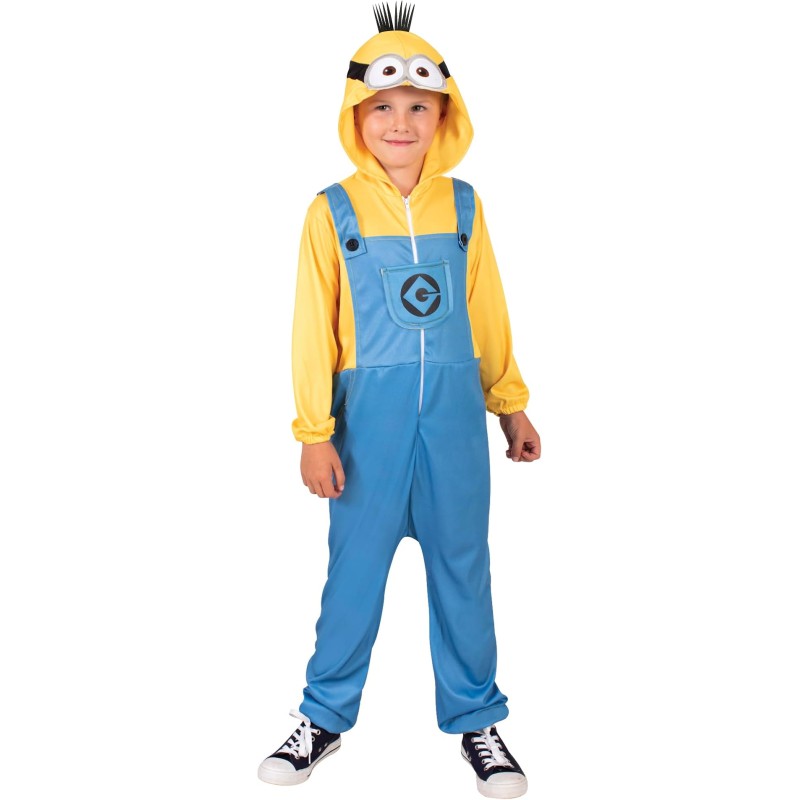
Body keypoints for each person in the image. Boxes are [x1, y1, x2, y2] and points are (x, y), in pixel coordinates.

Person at [258, 4, 541, 798]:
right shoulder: (332, 210)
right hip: (366, 428)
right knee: (354, 573)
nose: (400, 122)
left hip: (454, 422)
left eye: (419, 106)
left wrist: (509, 403)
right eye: (382, 106)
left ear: (445, 114)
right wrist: (314, 432)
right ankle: (322, 717)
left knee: (464, 570)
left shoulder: (465, 207)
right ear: (356, 116)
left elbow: (487, 309)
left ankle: (478, 720)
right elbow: (311, 329)